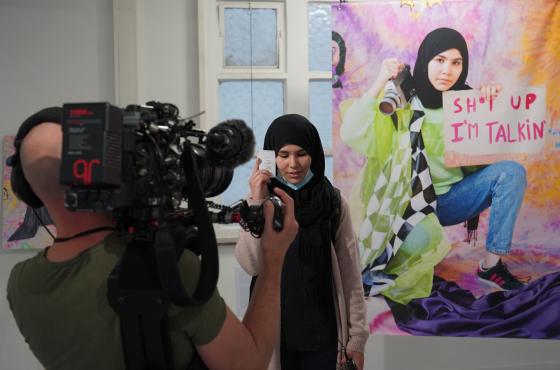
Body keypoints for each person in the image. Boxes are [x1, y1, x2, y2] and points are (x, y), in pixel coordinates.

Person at [6, 109, 299, 370]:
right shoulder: (169, 269)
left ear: (28, 190)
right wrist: (273, 261)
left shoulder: (21, 284)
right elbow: (249, 363)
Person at [340, 27, 527, 304]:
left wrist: (491, 109)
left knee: (513, 172)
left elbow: (479, 165)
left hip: (452, 199)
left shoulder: (467, 102)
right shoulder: (402, 100)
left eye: (456, 62)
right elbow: (353, 132)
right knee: (414, 253)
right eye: (439, 60)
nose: (447, 71)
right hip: (409, 205)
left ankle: (491, 266)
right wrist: (380, 79)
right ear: (426, 59)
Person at [235, 114, 368, 370]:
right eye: (283, 155)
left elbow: (350, 276)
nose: (293, 164)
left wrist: (357, 339)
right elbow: (251, 265)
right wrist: (256, 203)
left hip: (324, 338)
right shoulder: (260, 203)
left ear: (314, 154)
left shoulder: (333, 202)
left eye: (301, 153)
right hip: (275, 336)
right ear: (270, 158)